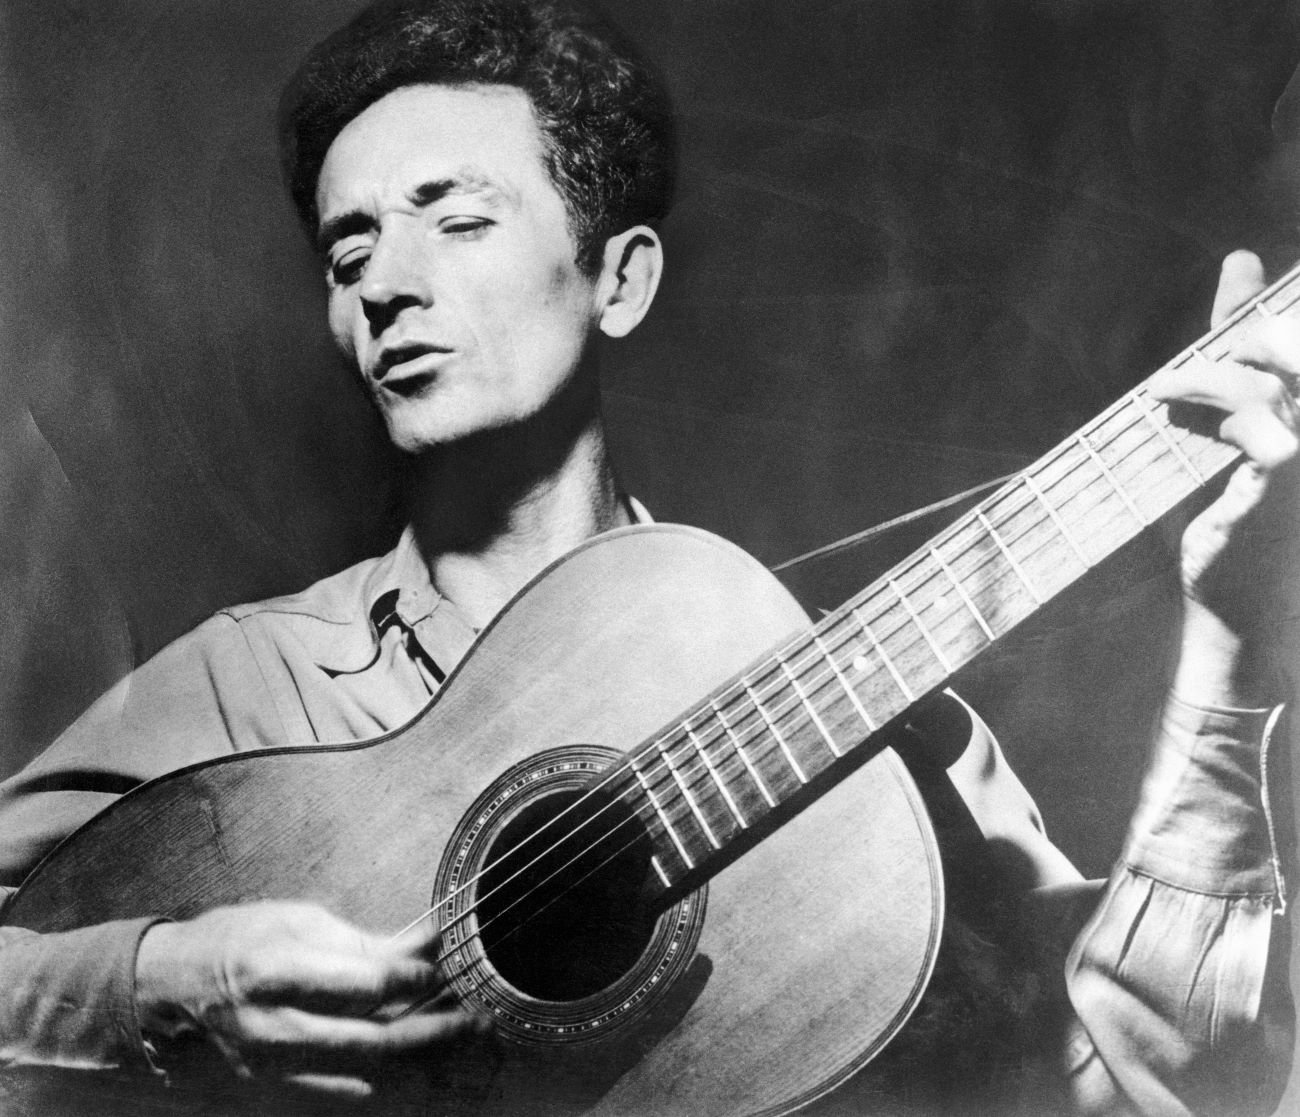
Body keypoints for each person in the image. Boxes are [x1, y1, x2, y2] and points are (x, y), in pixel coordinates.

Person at [0, 0, 1295, 1114]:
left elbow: (1167, 1080)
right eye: (348, 251)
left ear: (618, 280)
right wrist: (183, 986)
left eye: (454, 219)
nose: (383, 284)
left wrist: (1233, 657)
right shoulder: (245, 688)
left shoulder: (866, 708)